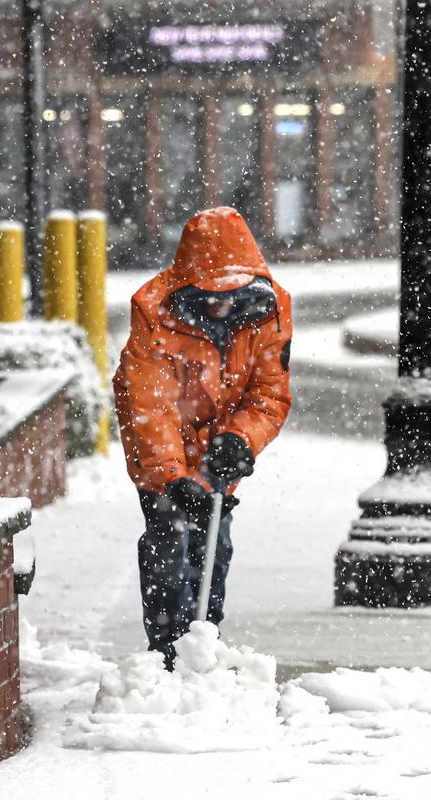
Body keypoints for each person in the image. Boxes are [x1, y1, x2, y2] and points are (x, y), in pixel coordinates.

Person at [113, 206, 293, 670]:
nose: (221, 304)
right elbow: (148, 405)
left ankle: (203, 645)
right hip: (162, 460)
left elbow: (268, 394)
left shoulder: (268, 316)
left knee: (215, 549)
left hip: (219, 457)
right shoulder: (156, 317)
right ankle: (165, 656)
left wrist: (241, 440)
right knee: (169, 547)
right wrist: (173, 477)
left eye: (231, 294)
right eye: (210, 294)